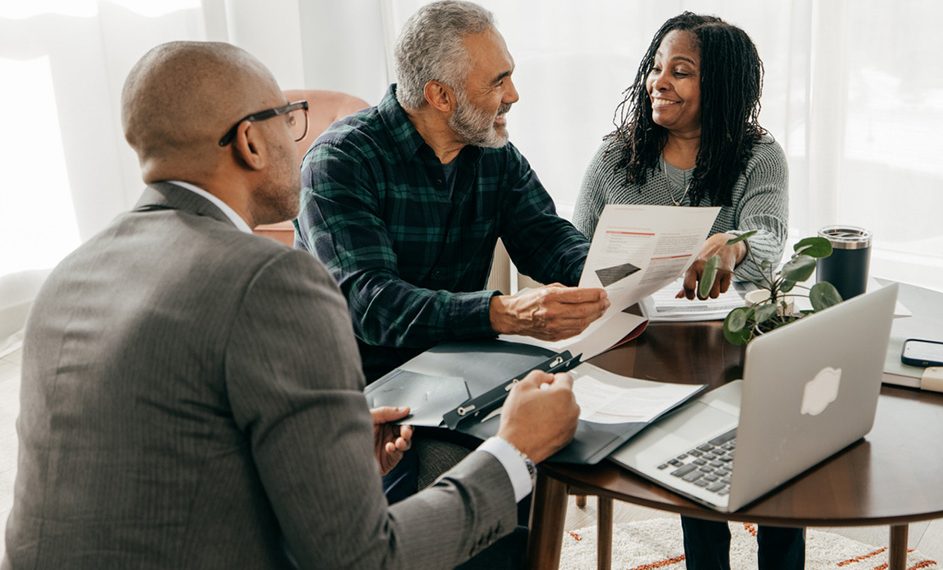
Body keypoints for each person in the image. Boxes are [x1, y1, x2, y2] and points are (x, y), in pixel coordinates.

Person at [2, 41, 579, 570]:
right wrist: (514, 450)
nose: (296, 135)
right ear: (250, 141)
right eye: (286, 116)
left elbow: (171, 459)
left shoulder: (68, 275)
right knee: (498, 525)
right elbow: (362, 560)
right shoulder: (272, 281)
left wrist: (328, 448)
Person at [295, 0, 609, 504]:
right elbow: (373, 304)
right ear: (440, 96)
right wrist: (500, 313)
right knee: (456, 498)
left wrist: (615, 271)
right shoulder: (340, 161)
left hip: (458, 370)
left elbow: (547, 238)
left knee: (553, 448)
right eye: (497, 81)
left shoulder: (494, 153)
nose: (514, 95)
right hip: (360, 386)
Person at [572, 13, 804, 570]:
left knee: (782, 440)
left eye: (681, 71)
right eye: (656, 68)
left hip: (732, 345)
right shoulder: (614, 158)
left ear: (720, 86)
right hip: (640, 345)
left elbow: (770, 236)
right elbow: (575, 253)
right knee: (691, 441)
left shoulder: (758, 156)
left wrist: (733, 243)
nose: (660, 81)